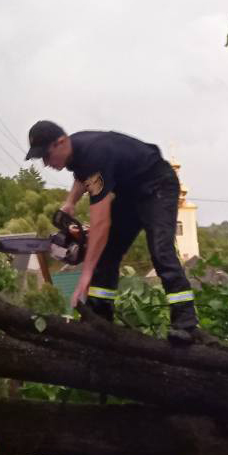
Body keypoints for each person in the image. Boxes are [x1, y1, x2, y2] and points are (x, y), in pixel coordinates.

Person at [25, 120, 199, 343]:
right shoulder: (77, 152)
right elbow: (83, 177)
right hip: (130, 194)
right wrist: (70, 203)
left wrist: (85, 275)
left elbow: (101, 224)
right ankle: (100, 314)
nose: (46, 163)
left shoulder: (94, 153)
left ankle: (185, 322)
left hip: (158, 186)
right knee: (107, 252)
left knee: (160, 250)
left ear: (60, 142)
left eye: (47, 156)